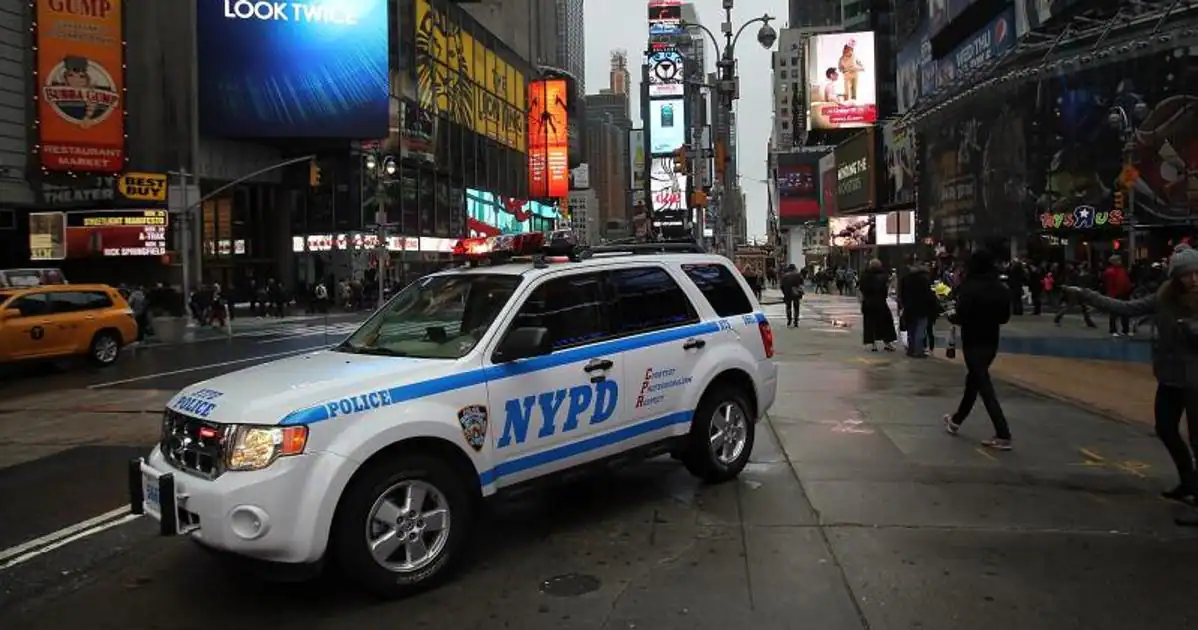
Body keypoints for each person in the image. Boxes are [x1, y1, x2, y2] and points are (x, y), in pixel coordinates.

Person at [1065, 244, 1198, 526]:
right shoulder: (1164, 298)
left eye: (1197, 273)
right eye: (1187, 274)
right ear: (1176, 277)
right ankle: (1189, 481)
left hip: (1195, 379)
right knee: (1165, 428)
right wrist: (1086, 295)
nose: (1193, 279)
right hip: (1170, 377)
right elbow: (1125, 308)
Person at [943, 250, 1014, 451]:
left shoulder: (970, 288)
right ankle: (956, 420)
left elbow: (961, 315)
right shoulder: (1001, 288)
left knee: (983, 385)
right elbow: (1004, 318)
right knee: (974, 381)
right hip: (991, 340)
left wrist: (951, 315)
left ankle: (1003, 433)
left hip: (973, 340)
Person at [898, 262, 937, 358]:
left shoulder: (906, 279)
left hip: (909, 307)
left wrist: (903, 304)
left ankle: (911, 349)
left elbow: (901, 293)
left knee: (911, 329)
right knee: (920, 329)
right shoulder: (925, 280)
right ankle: (919, 350)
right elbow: (929, 294)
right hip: (922, 307)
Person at [859, 259, 897, 352]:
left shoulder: (865, 275)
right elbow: (885, 288)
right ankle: (888, 343)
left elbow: (861, 288)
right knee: (886, 323)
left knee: (870, 324)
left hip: (868, 302)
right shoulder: (883, 276)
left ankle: (873, 345)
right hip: (880, 302)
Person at [1100, 254, 1133, 337]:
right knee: (1114, 313)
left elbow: (1126, 281)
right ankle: (1113, 330)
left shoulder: (1122, 270)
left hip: (1124, 293)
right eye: (1118, 260)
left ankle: (1125, 330)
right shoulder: (1110, 272)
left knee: (1125, 313)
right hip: (1115, 294)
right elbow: (1109, 285)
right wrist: (1111, 295)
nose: (1120, 261)